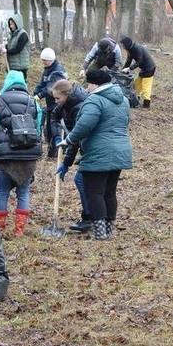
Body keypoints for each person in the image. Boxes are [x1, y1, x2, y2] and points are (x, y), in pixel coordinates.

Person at [60, 69, 132, 240]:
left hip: (99, 152)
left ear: (94, 84)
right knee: (109, 192)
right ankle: (108, 228)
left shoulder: (94, 100)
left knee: (95, 192)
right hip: (121, 151)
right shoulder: (123, 100)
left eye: (88, 84)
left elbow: (85, 125)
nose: (86, 88)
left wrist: (68, 139)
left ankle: (100, 232)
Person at [0, 70, 43, 236]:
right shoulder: (33, 103)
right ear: (23, 83)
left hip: (5, 155)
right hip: (28, 155)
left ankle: (0, 228)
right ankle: (19, 230)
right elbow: (38, 128)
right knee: (23, 192)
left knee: (2, 192)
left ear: (7, 83)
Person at [50, 79, 91, 232]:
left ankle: (90, 217)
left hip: (90, 147)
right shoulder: (64, 104)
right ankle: (92, 217)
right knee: (85, 181)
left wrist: (66, 163)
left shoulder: (79, 107)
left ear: (66, 94)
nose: (55, 101)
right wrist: (56, 137)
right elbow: (53, 117)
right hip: (83, 146)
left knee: (81, 180)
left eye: (57, 98)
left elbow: (75, 139)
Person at [33, 47, 67, 159]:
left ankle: (57, 152)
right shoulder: (47, 69)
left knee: (55, 127)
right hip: (49, 103)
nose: (42, 62)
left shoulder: (58, 71)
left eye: (44, 60)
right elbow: (42, 83)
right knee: (48, 127)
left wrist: (39, 95)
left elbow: (50, 87)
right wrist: (35, 92)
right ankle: (51, 151)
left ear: (50, 60)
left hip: (57, 103)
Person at [120, 36, 156, 108]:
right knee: (136, 84)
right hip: (144, 69)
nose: (122, 46)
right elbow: (128, 60)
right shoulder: (130, 50)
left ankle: (146, 104)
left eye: (123, 45)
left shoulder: (137, 48)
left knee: (146, 87)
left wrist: (130, 69)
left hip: (149, 69)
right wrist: (123, 70)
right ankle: (137, 98)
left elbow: (140, 61)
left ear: (127, 44)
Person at [4, 13, 30, 80]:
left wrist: (7, 51)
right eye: (10, 24)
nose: (11, 26)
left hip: (20, 66)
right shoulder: (13, 35)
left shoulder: (23, 35)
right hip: (12, 65)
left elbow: (18, 49)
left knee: (20, 84)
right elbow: (10, 46)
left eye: (12, 24)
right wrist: (4, 47)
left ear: (17, 23)